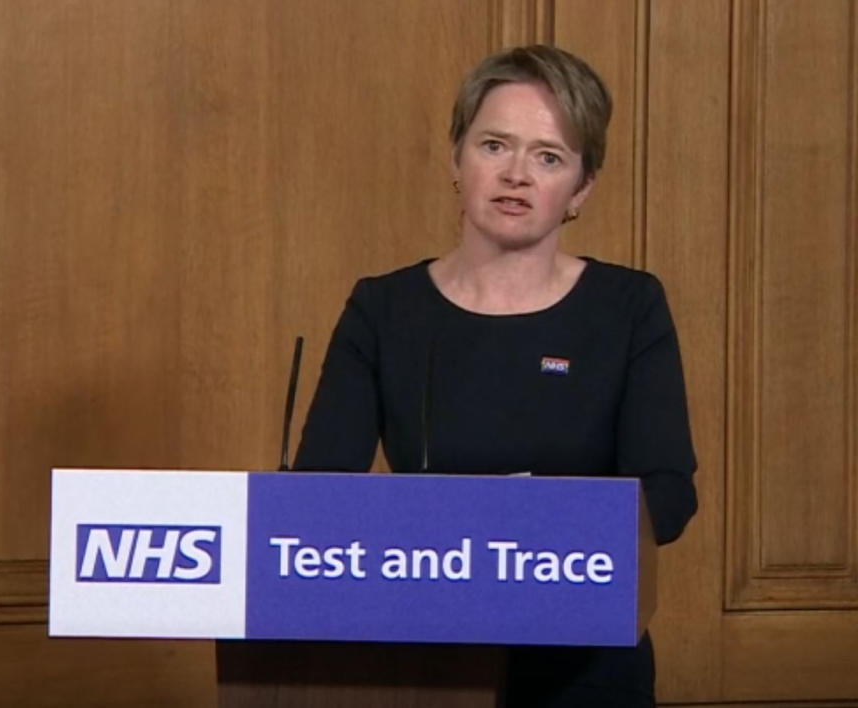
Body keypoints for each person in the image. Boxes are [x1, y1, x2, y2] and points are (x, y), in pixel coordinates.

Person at [293, 44, 697, 707]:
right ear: (456, 158)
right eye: (494, 146)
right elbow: (319, 498)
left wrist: (531, 542)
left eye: (548, 157)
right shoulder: (384, 309)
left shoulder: (628, 307)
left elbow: (670, 494)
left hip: (584, 661)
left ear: (582, 189)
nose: (517, 175)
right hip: (422, 659)